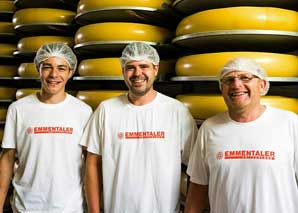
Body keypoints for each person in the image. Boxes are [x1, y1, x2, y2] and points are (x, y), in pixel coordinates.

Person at [80, 42, 198, 213]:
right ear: (123, 72)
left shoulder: (176, 110)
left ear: (155, 69)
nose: (137, 73)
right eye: (130, 68)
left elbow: (195, 169)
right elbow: (91, 163)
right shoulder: (106, 110)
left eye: (144, 66)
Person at [185, 57, 298, 213]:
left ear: (262, 84)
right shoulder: (209, 128)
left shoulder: (289, 123)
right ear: (221, 88)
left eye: (245, 77)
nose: (236, 85)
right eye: (229, 80)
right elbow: (197, 189)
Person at [0, 42, 92, 212]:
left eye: (61, 68)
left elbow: (90, 162)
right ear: (38, 68)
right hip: (26, 206)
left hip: (69, 207)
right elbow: (7, 158)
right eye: (47, 67)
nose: (54, 74)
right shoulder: (18, 109)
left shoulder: (83, 112)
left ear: (71, 72)